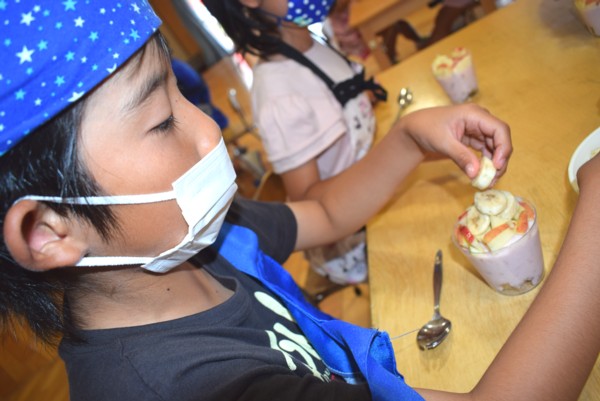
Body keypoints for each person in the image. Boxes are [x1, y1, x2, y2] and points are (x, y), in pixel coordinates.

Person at [2, 2, 600, 401]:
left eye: (186, 98)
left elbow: (326, 214)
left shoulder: (192, 241)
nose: (211, 132)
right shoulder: (193, 388)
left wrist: (407, 140)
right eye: (162, 121)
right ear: (45, 231)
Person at [203, 0, 392, 287]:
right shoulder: (278, 92)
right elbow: (311, 202)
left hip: (379, 192)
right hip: (357, 241)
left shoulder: (315, 40)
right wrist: (389, 158)